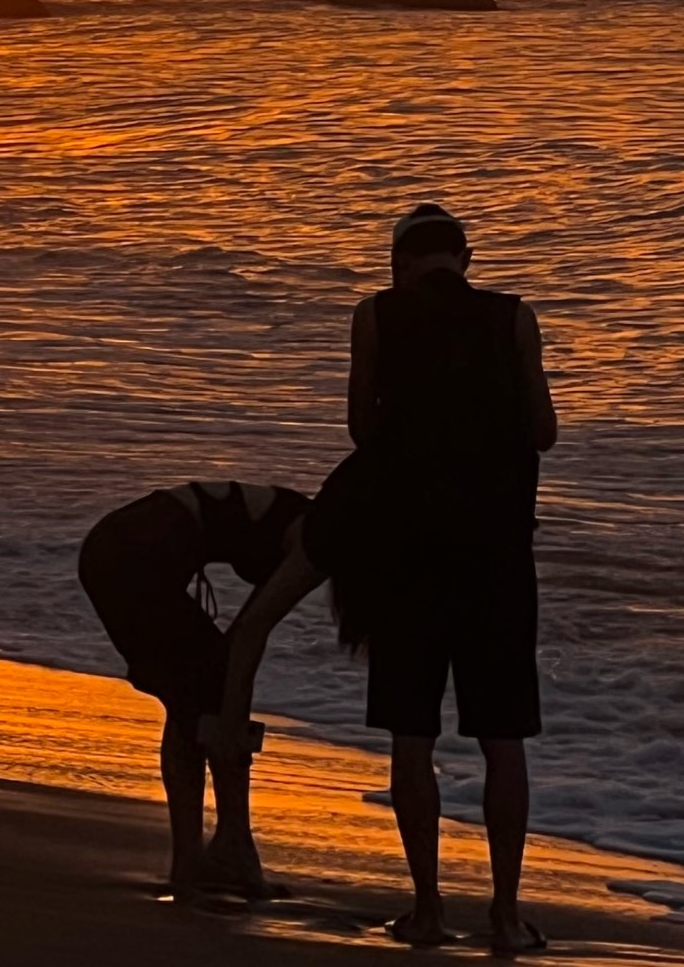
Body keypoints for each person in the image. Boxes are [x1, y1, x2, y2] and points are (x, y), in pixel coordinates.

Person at [207, 205, 557, 955]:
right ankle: (504, 914)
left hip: (407, 557)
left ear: (401, 262)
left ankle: (427, 910)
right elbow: (545, 432)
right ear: (464, 258)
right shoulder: (515, 318)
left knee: (412, 734)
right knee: (503, 739)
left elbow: (361, 429)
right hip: (497, 559)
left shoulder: (375, 316)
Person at [78, 477, 311, 897]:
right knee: (210, 692)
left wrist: (229, 705)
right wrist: (232, 710)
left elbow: (245, 630)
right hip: (131, 559)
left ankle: (202, 855)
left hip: (110, 549)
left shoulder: (303, 517)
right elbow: (251, 631)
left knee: (194, 699)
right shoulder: (316, 539)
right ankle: (228, 850)